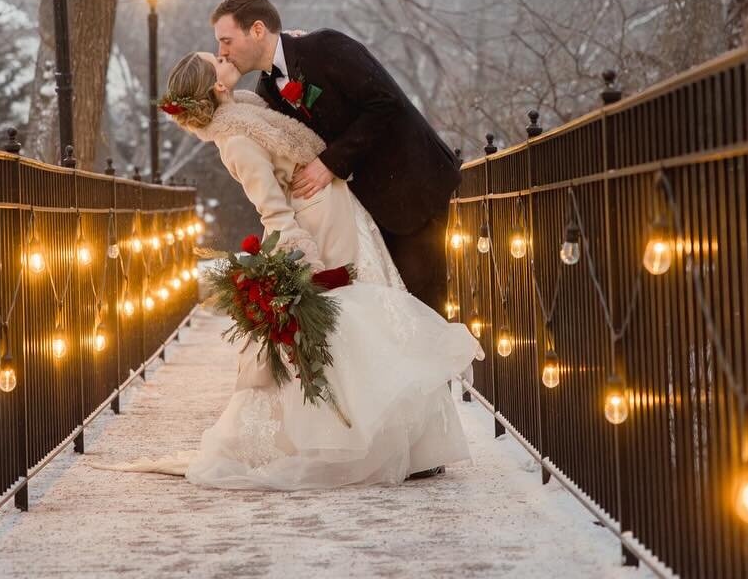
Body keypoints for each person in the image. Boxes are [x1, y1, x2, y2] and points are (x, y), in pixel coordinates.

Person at [110, 52, 480, 490]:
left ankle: (404, 441)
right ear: (217, 87)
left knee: (376, 318)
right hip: (321, 227)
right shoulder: (236, 139)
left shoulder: (247, 111)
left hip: (340, 211)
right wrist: (304, 252)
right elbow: (271, 207)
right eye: (218, 58)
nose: (225, 56)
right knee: (359, 322)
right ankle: (365, 442)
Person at [210, 0, 460, 315]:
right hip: (365, 212)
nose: (222, 52)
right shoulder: (267, 89)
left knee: (428, 312)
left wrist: (330, 163)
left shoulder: (325, 47)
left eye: (226, 41)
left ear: (257, 30)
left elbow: (386, 102)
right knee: (395, 315)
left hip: (413, 191)